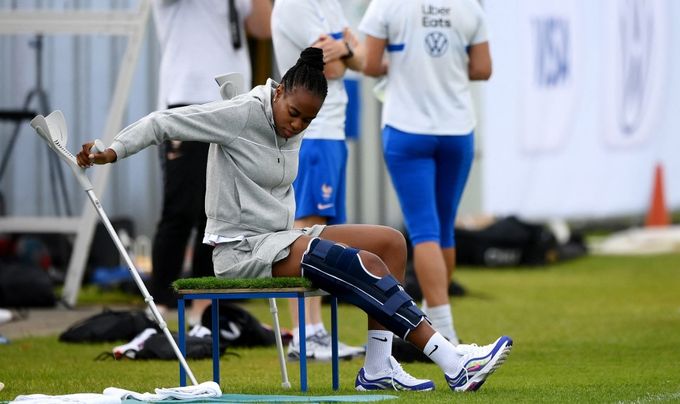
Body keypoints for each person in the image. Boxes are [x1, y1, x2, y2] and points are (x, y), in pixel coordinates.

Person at [77, 48, 511, 392]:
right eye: (294, 113)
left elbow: (290, 155)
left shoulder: (295, 118)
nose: (297, 125)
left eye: (308, 119)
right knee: (358, 264)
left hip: (280, 238)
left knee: (390, 244)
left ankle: (378, 368)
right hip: (238, 251)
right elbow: (163, 121)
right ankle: (451, 360)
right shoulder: (242, 113)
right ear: (280, 90)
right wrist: (111, 149)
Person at [359, 0, 493, 346]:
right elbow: (482, 68)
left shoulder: (386, 5)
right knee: (443, 229)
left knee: (424, 232)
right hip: (457, 129)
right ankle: (436, 318)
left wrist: (408, 65)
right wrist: (443, 66)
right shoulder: (469, 7)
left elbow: (370, 64)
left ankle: (443, 328)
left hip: (407, 128)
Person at [149, 0, 271, 328]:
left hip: (232, 106)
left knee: (217, 214)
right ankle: (159, 303)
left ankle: (203, 307)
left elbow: (263, 26)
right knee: (179, 209)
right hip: (184, 102)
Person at [271, 0, 365, 362]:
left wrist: (344, 48)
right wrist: (347, 48)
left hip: (333, 130)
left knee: (319, 230)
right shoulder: (295, 6)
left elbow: (361, 59)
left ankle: (315, 331)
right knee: (305, 228)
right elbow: (335, 70)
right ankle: (304, 334)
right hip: (316, 131)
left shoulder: (327, 4)